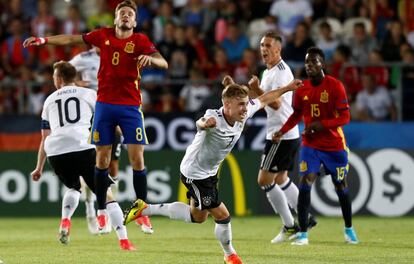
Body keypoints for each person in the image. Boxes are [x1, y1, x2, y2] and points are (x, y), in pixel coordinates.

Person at [123, 75, 303, 264]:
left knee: (198, 217)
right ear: (226, 105)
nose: (244, 108)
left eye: (245, 103)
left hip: (208, 172)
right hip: (195, 173)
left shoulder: (244, 111)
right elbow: (199, 122)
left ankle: (144, 209)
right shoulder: (213, 117)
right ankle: (230, 254)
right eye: (240, 104)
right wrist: (204, 124)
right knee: (222, 215)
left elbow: (266, 98)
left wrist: (289, 87)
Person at [23, 0, 168, 234]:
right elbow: (71, 39)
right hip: (104, 105)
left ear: (135, 20)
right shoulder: (103, 36)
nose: (126, 16)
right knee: (101, 159)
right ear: (115, 18)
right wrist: (43, 40)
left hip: (130, 106)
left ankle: (141, 211)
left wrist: (151, 59)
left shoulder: (140, 41)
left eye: (130, 14)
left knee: (137, 159)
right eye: (122, 13)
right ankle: (102, 211)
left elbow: (164, 62)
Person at [30, 61, 135, 250]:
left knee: (73, 187)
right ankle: (124, 240)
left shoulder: (48, 100)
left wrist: (39, 167)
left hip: (56, 150)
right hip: (82, 145)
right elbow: (107, 119)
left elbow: (44, 138)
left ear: (60, 79)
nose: (53, 80)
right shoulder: (89, 94)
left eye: (54, 76)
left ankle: (65, 220)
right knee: (106, 193)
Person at [273, 47, 359, 245]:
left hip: (334, 145)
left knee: (341, 186)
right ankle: (303, 234)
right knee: (305, 182)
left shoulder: (335, 86)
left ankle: (349, 228)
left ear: (323, 64)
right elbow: (296, 114)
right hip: (311, 145)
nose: (309, 66)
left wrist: (322, 125)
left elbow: (345, 116)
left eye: (313, 62)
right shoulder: (302, 89)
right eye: (307, 62)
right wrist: (283, 130)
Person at [248, 32, 314, 244]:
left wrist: (257, 89)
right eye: (261, 45)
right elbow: (267, 100)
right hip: (286, 133)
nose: (263, 49)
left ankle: (289, 224)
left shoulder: (280, 73)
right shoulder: (270, 71)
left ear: (278, 49)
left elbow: (275, 104)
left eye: (268, 45)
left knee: (264, 180)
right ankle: (307, 218)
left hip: (280, 134)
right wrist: (255, 90)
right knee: (281, 178)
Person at [69, 46, 124, 234]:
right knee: (92, 165)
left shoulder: (119, 57)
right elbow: (63, 71)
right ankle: (91, 211)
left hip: (111, 111)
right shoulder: (83, 57)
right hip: (90, 114)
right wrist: (76, 83)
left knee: (113, 165)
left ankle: (109, 209)